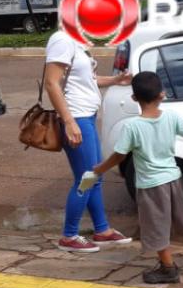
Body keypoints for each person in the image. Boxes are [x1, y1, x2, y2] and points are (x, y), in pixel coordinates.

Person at [81, 72, 183, 283]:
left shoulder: (132, 127)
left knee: (156, 226)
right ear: (162, 94)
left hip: (151, 185)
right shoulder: (171, 116)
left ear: (134, 98)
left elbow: (119, 155)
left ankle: (168, 268)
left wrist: (98, 169)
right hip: (174, 179)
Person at [45, 29, 132, 253]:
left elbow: (88, 80)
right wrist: (69, 121)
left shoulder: (76, 42)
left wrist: (115, 80)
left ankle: (102, 230)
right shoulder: (62, 40)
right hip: (76, 116)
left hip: (87, 115)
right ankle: (69, 235)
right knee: (86, 178)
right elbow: (52, 83)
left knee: (95, 175)